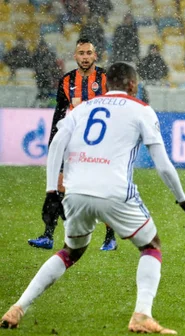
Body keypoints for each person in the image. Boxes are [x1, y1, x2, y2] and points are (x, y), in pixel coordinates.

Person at [1, 62, 185, 334]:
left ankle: (18, 307)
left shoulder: (81, 109)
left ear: (105, 84)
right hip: (114, 191)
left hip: (76, 191)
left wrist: (51, 192)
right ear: (133, 85)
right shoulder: (141, 109)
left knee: (70, 252)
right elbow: (163, 164)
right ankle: (141, 315)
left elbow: (57, 144)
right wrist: (183, 200)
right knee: (151, 246)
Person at [27, 38, 118, 252]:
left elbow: (118, 109)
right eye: (81, 53)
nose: (85, 57)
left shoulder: (106, 78)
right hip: (74, 142)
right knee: (58, 185)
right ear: (75, 56)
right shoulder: (67, 81)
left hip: (101, 144)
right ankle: (48, 235)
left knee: (103, 188)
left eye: (89, 53)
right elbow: (59, 113)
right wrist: (53, 142)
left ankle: (110, 238)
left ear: (95, 55)